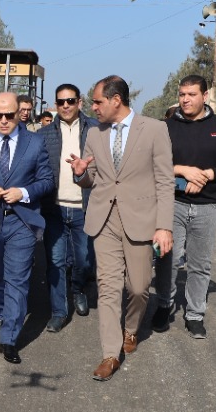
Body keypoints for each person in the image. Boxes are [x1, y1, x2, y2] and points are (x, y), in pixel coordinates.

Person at [69, 76, 175, 382]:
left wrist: (164, 226)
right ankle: (110, 354)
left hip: (141, 219)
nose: (93, 107)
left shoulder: (155, 129)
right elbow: (91, 177)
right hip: (104, 218)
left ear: (116, 100)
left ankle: (131, 329)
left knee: (139, 288)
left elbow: (165, 181)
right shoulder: (94, 133)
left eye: (98, 101)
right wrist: (81, 174)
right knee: (108, 287)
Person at [151, 75, 216, 340]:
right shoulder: (166, 127)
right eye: (182, 94)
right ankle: (163, 305)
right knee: (166, 259)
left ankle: (194, 314)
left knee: (199, 265)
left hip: (208, 207)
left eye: (191, 94)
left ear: (205, 96)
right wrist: (182, 173)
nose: (185, 99)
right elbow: (152, 163)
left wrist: (207, 175)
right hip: (172, 203)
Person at [0, 91, 54, 364]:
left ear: (19, 114)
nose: (3, 120)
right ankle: (3, 314)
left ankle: (9, 338)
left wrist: (23, 193)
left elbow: (46, 181)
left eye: (9, 115)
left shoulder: (35, 143)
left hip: (21, 220)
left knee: (17, 280)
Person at [39, 82, 100, 333]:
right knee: (55, 262)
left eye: (71, 101)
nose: (66, 106)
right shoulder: (44, 134)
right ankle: (59, 312)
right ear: (56, 104)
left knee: (84, 260)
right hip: (54, 208)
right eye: (61, 102)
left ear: (79, 102)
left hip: (84, 209)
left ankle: (78, 288)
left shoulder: (96, 129)